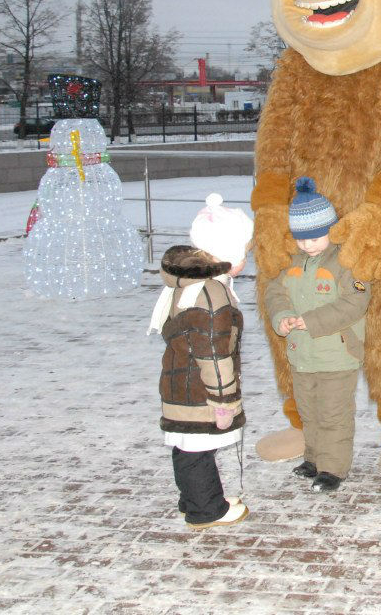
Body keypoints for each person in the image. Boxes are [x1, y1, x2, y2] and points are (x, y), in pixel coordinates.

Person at [149, 193, 254, 528]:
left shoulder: (196, 283)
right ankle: (206, 510)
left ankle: (193, 498)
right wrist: (224, 400)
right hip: (198, 388)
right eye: (245, 251)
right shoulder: (211, 294)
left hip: (181, 379)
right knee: (196, 447)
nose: (247, 257)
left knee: (188, 444)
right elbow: (213, 351)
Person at [263, 177, 371, 492]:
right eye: (301, 239)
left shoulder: (346, 263)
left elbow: (355, 303)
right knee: (309, 411)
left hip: (337, 355)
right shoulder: (292, 263)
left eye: (315, 237)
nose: (308, 245)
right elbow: (275, 292)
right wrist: (282, 317)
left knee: (333, 413)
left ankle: (332, 468)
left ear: (331, 230)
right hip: (302, 355)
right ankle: (313, 458)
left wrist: (311, 321)